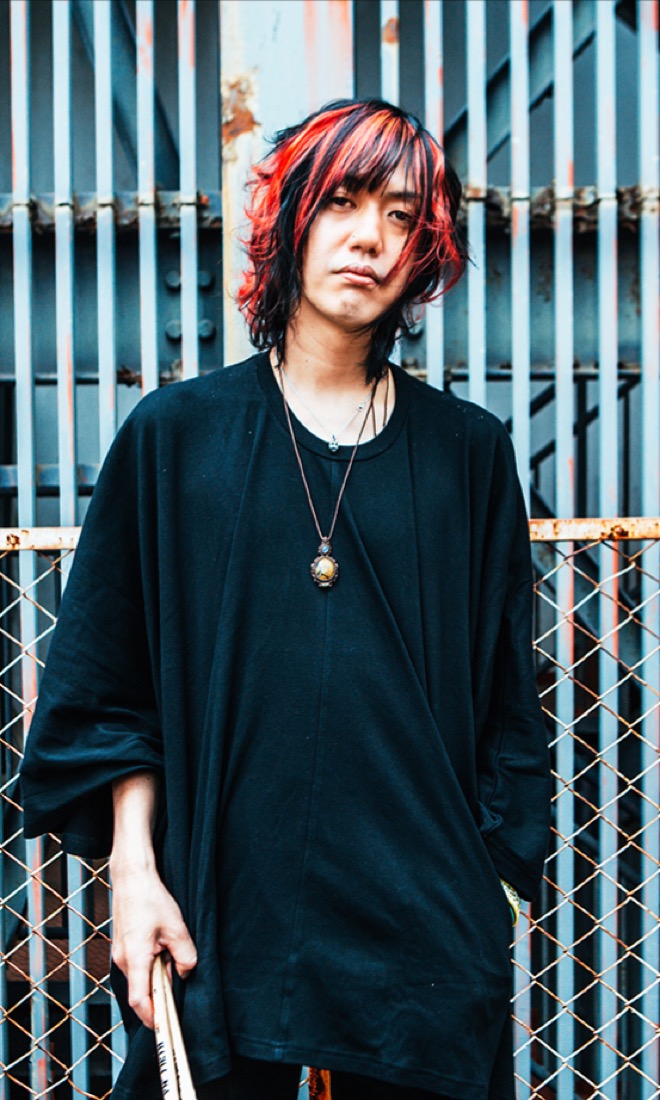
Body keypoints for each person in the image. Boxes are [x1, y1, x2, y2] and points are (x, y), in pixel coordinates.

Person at [19, 99, 551, 1100]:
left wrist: (493, 897)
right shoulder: (177, 438)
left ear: (424, 252)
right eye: (343, 201)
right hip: (220, 912)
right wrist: (133, 876)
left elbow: (504, 712)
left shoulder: (469, 456)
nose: (370, 237)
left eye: (402, 216)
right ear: (292, 217)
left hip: (424, 933)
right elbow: (109, 689)